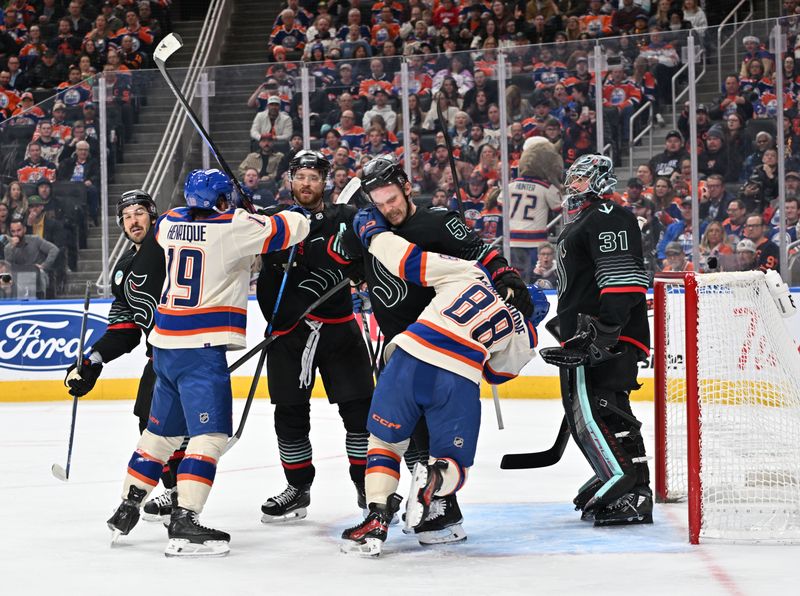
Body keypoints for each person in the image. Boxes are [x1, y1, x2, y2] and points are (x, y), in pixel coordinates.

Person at [329, 155, 534, 545]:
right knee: (407, 439)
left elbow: (481, 251)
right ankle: (424, 502)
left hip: (426, 341)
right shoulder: (369, 224)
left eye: (392, 198)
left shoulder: (437, 221)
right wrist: (351, 253)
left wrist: (505, 272)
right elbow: (342, 259)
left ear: (406, 188)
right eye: (379, 202)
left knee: (420, 439)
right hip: (400, 346)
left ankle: (441, 509)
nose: (388, 208)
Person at [105, 169, 310, 557]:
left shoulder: (168, 222)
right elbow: (294, 227)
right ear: (220, 200)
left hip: (165, 345)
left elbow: (213, 231)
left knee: (161, 435)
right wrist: (256, 210)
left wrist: (240, 212)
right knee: (210, 436)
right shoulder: (233, 225)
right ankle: (185, 520)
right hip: (201, 347)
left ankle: (127, 505)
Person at [254, 150, 375, 523]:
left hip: (339, 330)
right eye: (300, 177)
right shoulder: (274, 221)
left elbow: (373, 255)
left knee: (359, 410)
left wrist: (358, 265)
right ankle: (297, 488)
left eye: (314, 177)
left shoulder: (347, 219)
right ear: (290, 181)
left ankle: (367, 485)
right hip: (288, 334)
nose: (307, 184)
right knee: (289, 414)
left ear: (325, 182)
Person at [539, 154, 653, 527]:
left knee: (601, 409)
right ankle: (620, 476)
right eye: (571, 180)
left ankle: (632, 489)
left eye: (581, 179)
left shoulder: (608, 215)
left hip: (607, 337)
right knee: (589, 412)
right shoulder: (586, 219)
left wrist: (604, 332)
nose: (572, 186)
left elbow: (621, 281)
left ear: (602, 181)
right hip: (589, 335)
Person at [64, 190, 183, 522]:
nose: (133, 220)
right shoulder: (123, 270)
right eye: (127, 215)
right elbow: (125, 329)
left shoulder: (169, 243)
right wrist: (93, 360)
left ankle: (186, 498)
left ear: (153, 215)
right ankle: (176, 494)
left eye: (140, 212)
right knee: (148, 420)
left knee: (168, 427)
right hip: (159, 354)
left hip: (189, 348)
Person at [3, 216, 59, 298]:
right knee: (5, 277)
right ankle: (7, 302)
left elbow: (54, 249)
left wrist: (44, 265)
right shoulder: (8, 247)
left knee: (41, 273)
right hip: (18, 277)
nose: (16, 234)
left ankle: (41, 300)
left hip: (37, 276)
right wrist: (12, 248)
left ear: (24, 229)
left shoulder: (35, 240)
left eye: (19, 230)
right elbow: (8, 267)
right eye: (13, 231)